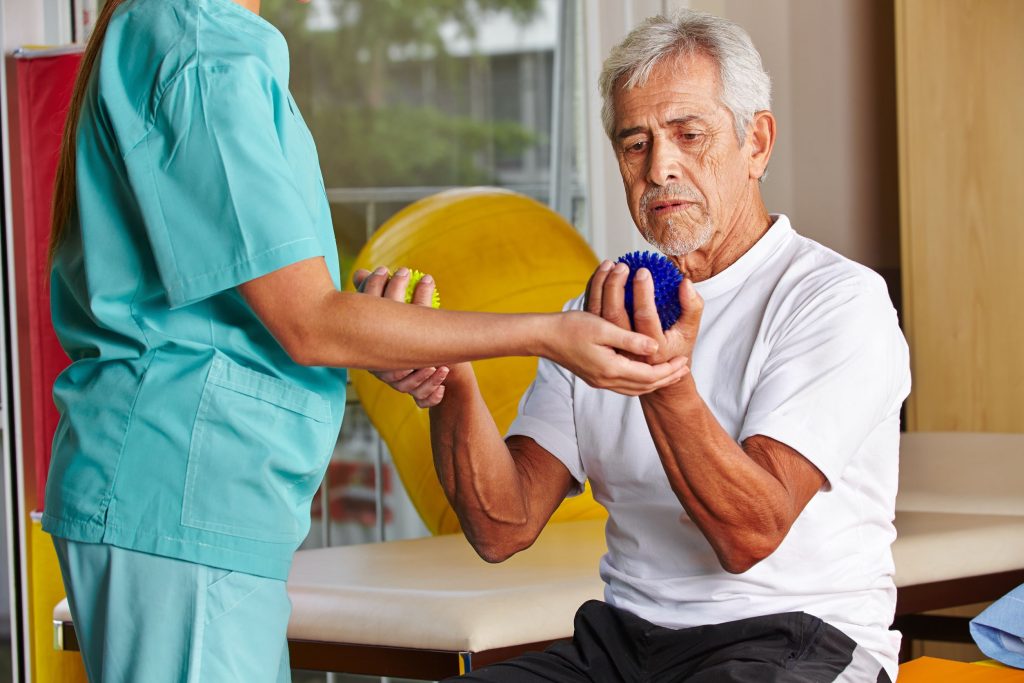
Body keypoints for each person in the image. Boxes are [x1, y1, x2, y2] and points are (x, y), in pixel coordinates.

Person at [42, 0, 689, 681]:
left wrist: (394, 340)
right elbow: (307, 323)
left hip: (194, 496)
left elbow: (261, 315)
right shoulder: (203, 48)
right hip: (180, 492)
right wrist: (552, 335)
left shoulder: (195, 40)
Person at [388, 9, 911, 683]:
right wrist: (450, 381)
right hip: (625, 646)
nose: (660, 166)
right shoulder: (591, 313)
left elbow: (750, 534)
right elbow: (502, 525)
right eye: (635, 144)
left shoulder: (837, 300)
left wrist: (661, 376)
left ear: (756, 143)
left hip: (796, 639)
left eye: (689, 135)